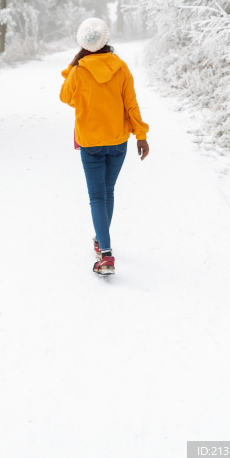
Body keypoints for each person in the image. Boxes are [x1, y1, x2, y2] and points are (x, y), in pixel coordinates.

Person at [60, 17, 150, 276]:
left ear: (83, 44)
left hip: (91, 143)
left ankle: (106, 256)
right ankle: (101, 242)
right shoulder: (120, 67)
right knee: (108, 192)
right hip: (118, 141)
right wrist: (141, 136)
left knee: (97, 197)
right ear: (105, 41)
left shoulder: (78, 71)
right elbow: (131, 104)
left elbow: (65, 97)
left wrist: (73, 66)